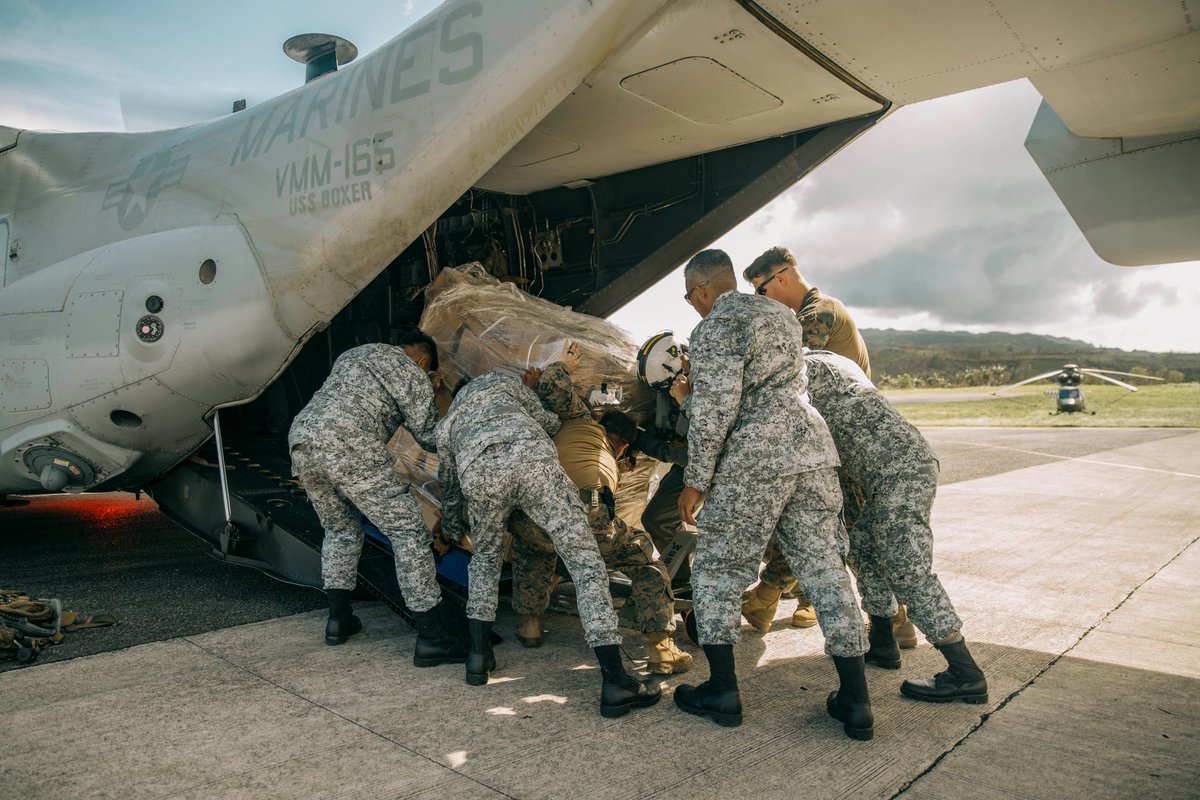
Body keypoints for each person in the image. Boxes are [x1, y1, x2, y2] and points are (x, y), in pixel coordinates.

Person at [671, 249, 873, 739]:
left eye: (689, 297)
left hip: (754, 457)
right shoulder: (781, 316)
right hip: (810, 449)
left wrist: (695, 480)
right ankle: (856, 700)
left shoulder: (715, 326)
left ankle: (722, 689)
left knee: (718, 570)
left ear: (701, 290)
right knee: (827, 571)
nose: (693, 306)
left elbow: (716, 409)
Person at [435, 371, 660, 717]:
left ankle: (478, 659)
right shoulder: (501, 382)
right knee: (586, 565)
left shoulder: (447, 425)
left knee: (485, 562)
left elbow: (450, 492)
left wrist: (449, 531)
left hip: (479, 474)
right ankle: (616, 680)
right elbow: (548, 421)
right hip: (532, 461)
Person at [743, 246, 918, 648]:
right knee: (819, 525)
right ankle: (765, 599)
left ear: (781, 278)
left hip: (848, 446)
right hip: (840, 444)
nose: (762, 301)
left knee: (853, 536)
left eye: (761, 292)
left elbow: (787, 366)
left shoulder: (818, 314)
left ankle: (896, 622)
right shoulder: (815, 310)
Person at [801, 349, 988, 703]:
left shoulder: (802, 371)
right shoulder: (838, 363)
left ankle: (966, 672)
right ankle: (884, 641)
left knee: (909, 571)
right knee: (865, 547)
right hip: (904, 467)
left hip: (899, 473)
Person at [288, 330, 466, 667]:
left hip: (303, 439)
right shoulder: (412, 372)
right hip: (350, 446)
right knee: (409, 534)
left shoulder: (358, 351)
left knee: (340, 530)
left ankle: (339, 619)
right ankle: (432, 637)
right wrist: (435, 394)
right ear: (424, 361)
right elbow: (428, 436)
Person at [506, 361, 692, 675]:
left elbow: (549, 387)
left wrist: (535, 386)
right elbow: (553, 378)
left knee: (533, 550)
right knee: (645, 559)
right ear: (623, 447)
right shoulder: (588, 425)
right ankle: (662, 649)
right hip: (581, 509)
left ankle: (530, 625)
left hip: (528, 510)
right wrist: (566, 364)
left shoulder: (565, 425)